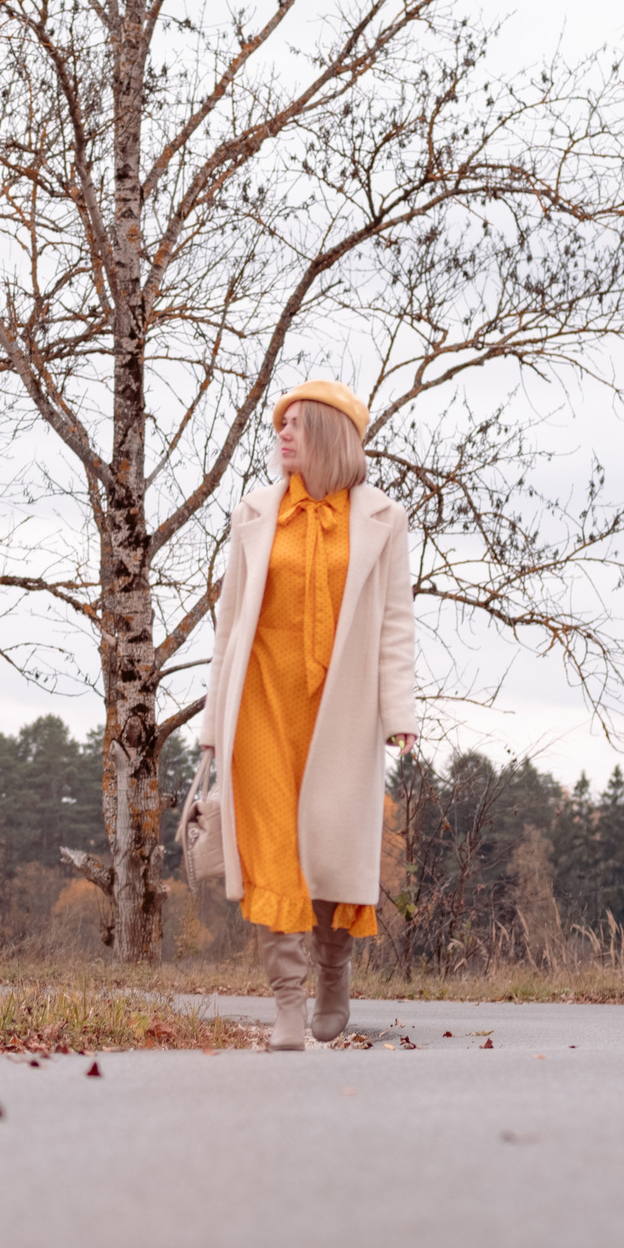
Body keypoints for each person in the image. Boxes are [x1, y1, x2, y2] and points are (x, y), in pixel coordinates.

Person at [198, 380, 417, 1050]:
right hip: (262, 703)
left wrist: (399, 711)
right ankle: (287, 1003)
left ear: (328, 433)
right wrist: (213, 727)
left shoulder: (382, 518)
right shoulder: (254, 513)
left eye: (295, 424)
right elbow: (231, 623)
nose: (282, 434)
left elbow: (395, 625)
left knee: (326, 847)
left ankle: (332, 972)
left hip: (340, 711)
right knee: (274, 848)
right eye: (279, 425)